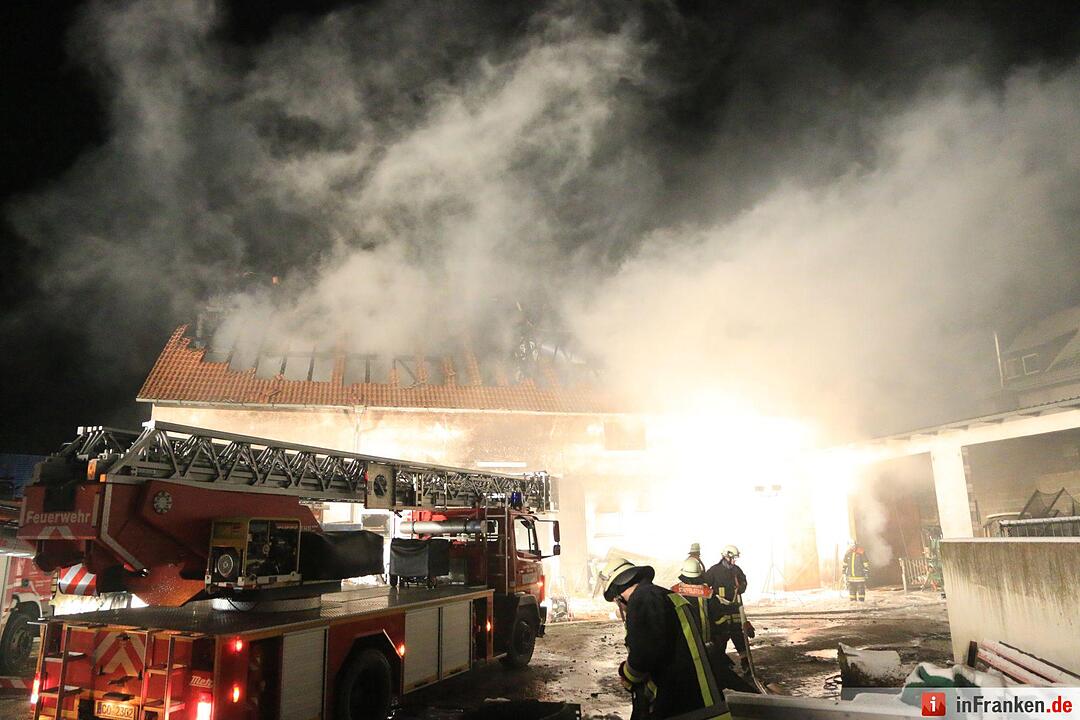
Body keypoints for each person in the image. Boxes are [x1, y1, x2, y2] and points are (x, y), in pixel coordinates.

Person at [601, 557, 722, 720]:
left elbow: (644, 654)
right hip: (698, 697)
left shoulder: (642, 598)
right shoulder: (666, 595)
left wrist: (627, 674)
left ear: (618, 595)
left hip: (682, 702)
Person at [703, 545, 754, 671]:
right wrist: (713, 597)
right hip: (720, 611)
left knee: (739, 637)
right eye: (732, 558)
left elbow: (744, 582)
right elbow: (704, 587)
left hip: (735, 610)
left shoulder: (737, 570)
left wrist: (741, 587)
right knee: (721, 639)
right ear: (725, 556)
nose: (734, 561)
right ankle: (721, 666)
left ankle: (746, 664)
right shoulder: (714, 571)